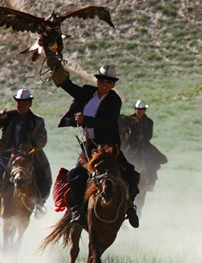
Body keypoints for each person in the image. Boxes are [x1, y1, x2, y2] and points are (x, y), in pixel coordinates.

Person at [51, 63, 140, 228]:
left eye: (108, 81)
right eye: (101, 80)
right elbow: (72, 89)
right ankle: (77, 211)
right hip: (88, 147)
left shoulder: (114, 100)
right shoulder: (88, 93)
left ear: (113, 84)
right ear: (97, 81)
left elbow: (107, 121)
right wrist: (60, 77)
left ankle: (130, 208)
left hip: (108, 148)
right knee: (76, 174)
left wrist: (85, 120)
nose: (104, 84)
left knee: (128, 172)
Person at [0, 88, 52, 218]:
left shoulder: (38, 121)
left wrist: (31, 144)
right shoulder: (7, 118)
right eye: (19, 102)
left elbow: (43, 139)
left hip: (29, 155)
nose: (21, 105)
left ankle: (39, 203)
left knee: (42, 174)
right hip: (7, 154)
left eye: (25, 102)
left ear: (30, 104)